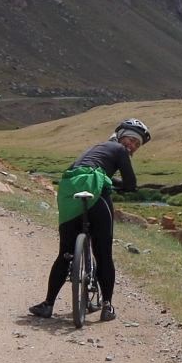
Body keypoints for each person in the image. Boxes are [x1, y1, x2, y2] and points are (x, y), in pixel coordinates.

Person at [29, 119, 148, 322]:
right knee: (103, 253)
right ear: (120, 137)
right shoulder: (119, 150)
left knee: (65, 254)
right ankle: (107, 306)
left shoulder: (94, 149)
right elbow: (130, 183)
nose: (132, 145)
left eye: (137, 144)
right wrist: (124, 186)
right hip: (97, 193)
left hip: (70, 191)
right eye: (131, 140)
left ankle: (48, 304)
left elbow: (77, 169)